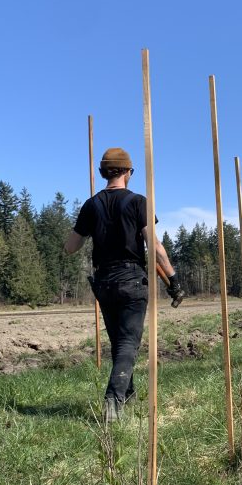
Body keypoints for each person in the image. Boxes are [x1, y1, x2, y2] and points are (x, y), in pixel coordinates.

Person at [64, 147, 184, 422]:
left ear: (104, 173)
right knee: (128, 343)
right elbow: (153, 245)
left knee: (119, 343)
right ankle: (113, 402)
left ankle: (127, 395)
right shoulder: (137, 202)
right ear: (128, 172)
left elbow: (70, 247)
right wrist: (173, 279)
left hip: (104, 282)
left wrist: (87, 230)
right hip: (131, 280)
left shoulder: (91, 205)